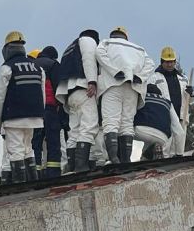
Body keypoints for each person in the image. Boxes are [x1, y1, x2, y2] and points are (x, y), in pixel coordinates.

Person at [0, 31, 45, 183]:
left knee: (15, 151)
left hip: (14, 117)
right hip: (35, 116)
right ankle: (34, 183)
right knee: (28, 149)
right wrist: (40, 114)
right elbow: (42, 94)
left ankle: (20, 186)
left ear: (7, 49)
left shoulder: (7, 67)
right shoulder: (37, 67)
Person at [96, 27, 155, 164]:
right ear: (125, 37)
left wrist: (115, 71)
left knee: (111, 121)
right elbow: (150, 64)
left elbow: (99, 54)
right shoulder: (139, 49)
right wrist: (140, 76)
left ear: (113, 35)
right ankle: (126, 160)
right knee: (127, 123)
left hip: (112, 85)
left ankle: (114, 159)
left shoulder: (107, 43)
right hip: (133, 87)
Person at [56, 30, 100, 172]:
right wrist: (92, 81)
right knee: (89, 125)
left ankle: (72, 166)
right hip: (83, 88)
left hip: (70, 93)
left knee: (74, 130)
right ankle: (81, 166)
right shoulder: (87, 40)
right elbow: (88, 59)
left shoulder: (70, 47)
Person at [148, 47, 194, 156]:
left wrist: (192, 93)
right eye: (167, 62)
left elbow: (189, 100)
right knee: (165, 145)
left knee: (179, 145)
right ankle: (165, 165)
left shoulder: (183, 78)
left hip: (181, 116)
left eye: (172, 62)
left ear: (175, 62)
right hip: (164, 116)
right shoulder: (154, 77)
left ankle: (177, 164)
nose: (170, 65)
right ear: (162, 62)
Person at [32, 46, 62, 177]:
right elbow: (58, 87)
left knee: (36, 142)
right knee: (53, 141)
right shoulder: (53, 64)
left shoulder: (31, 65)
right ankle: (53, 172)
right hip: (50, 108)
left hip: (35, 110)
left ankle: (35, 171)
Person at [134, 84, 185, 160]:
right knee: (152, 139)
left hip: (140, 131)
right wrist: (179, 155)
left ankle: (120, 158)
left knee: (124, 129)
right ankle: (148, 154)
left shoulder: (141, 96)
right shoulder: (168, 103)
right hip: (162, 138)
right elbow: (179, 132)